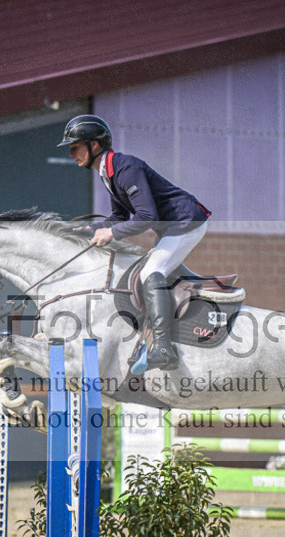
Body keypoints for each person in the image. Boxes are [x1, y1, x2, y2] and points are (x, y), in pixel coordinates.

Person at [58, 114, 210, 371]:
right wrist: (87, 230)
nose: (71, 153)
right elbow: (119, 217)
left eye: (75, 146)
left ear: (94, 145)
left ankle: (163, 348)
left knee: (152, 271)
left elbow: (147, 217)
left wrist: (112, 234)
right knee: (146, 270)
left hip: (187, 222)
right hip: (171, 226)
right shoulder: (108, 172)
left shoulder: (126, 168)